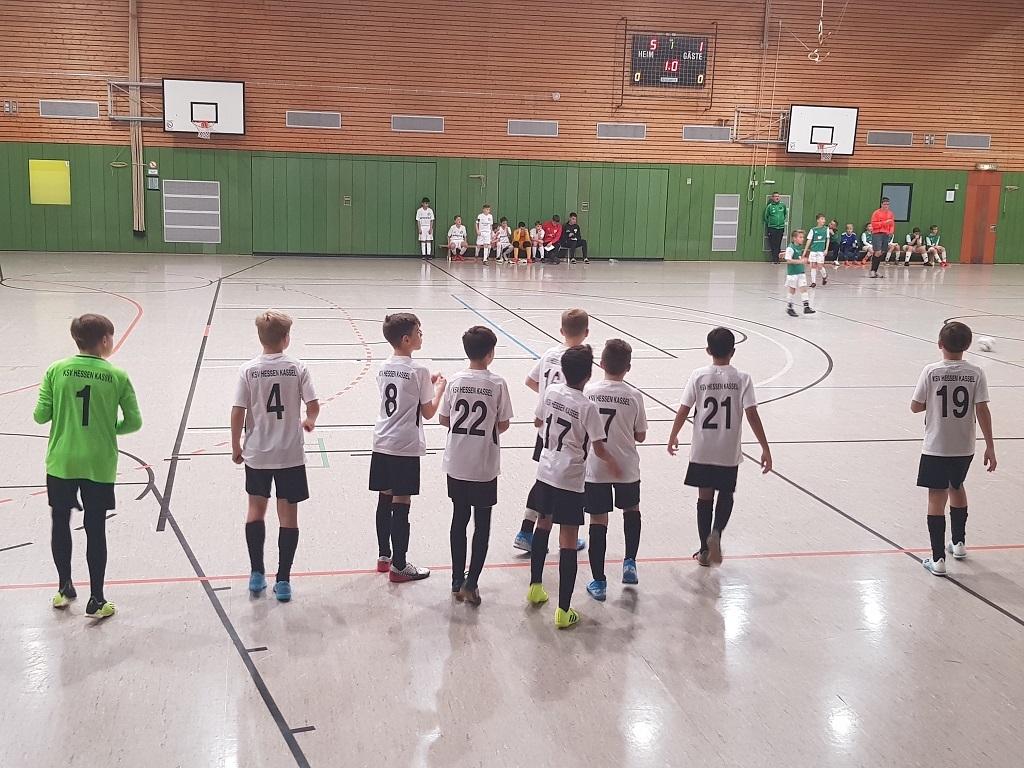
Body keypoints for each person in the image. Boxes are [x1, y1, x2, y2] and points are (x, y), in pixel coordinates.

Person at [34, 313, 142, 619]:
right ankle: (97, 599)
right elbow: (134, 421)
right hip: (99, 463)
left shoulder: (56, 370)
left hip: (62, 461)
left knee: (60, 522)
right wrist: (109, 428)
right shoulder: (117, 375)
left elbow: (40, 416)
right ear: (105, 340)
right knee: (95, 528)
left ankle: (64, 588)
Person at [527, 345, 619, 628]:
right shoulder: (587, 407)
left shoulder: (551, 392)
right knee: (568, 539)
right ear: (589, 375)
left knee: (542, 525)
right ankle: (564, 610)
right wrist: (615, 464)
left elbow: (538, 420)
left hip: (545, 470)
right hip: (569, 478)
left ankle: (535, 587)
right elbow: (599, 448)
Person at [231, 311, 320, 603]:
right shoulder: (297, 367)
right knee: (288, 517)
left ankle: (257, 573)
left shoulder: (248, 370)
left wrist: (236, 445)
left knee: (256, 511)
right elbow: (313, 404)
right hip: (290, 455)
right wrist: (310, 420)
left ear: (260, 338)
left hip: (258, 453)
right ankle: (283, 580)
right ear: (286, 338)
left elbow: (238, 411)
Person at [667, 327, 772, 566]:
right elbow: (752, 414)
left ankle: (704, 550)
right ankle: (716, 533)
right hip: (728, 449)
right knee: (726, 493)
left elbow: (684, 409)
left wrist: (673, 435)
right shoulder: (742, 379)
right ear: (733, 352)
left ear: (708, 350)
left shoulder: (698, 376)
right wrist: (765, 447)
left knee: (704, 496)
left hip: (702, 448)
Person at [911, 321, 996, 576]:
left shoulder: (931, 371)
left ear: (940, 345)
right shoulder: (976, 373)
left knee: (936, 497)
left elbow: (915, 406)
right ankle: (958, 543)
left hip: (936, 446)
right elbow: (982, 409)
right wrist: (990, 446)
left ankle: (938, 559)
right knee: (957, 487)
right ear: (968, 345)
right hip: (964, 446)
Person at [438, 327, 513, 605]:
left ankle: (456, 580)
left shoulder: (455, 381)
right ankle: (472, 583)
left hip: (457, 461)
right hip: (484, 465)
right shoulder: (497, 384)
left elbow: (444, 419)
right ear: (491, 353)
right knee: (482, 524)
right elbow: (503, 423)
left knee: (459, 518)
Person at [370, 313, 446, 582]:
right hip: (404, 444)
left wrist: (426, 383)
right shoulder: (419, 371)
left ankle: (384, 556)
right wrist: (439, 388)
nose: (421, 335)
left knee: (384, 497)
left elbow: (402, 391)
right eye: (418, 332)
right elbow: (428, 412)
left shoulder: (383, 366)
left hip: (382, 440)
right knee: (402, 502)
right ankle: (400, 566)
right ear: (406, 339)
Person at [513, 308, 590, 553]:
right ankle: (562, 535)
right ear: (587, 332)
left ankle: (528, 529)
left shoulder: (549, 354)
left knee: (544, 480)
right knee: (564, 485)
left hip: (547, 427)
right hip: (567, 433)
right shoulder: (579, 360)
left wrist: (549, 402)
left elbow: (530, 380)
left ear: (561, 330)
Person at [583, 339, 647, 601]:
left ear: (601, 364)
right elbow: (640, 435)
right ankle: (630, 561)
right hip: (626, 466)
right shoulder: (634, 395)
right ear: (628, 368)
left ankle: (599, 582)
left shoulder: (588, 392)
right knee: (631, 510)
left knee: (598, 520)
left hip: (596, 467)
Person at [783, 230, 815, 316]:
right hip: (793, 273)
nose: (802, 239)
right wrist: (800, 262)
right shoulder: (790, 248)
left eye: (803, 237)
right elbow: (788, 260)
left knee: (803, 288)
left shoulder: (799, 246)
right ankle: (789, 307)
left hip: (800, 271)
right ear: (794, 238)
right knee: (792, 290)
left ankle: (806, 307)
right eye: (800, 237)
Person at [870, 197, 895, 276]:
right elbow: (874, 224)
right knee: (877, 251)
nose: (886, 206)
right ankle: (872, 270)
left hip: (886, 234)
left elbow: (892, 224)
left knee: (881, 252)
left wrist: (891, 231)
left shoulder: (890, 214)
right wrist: (884, 223)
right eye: (885, 204)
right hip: (877, 233)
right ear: (881, 204)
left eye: (887, 204)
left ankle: (875, 270)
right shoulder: (876, 213)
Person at [803, 213, 830, 287]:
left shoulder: (826, 229)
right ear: (818, 220)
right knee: (813, 265)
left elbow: (828, 239)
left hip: (821, 251)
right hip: (813, 250)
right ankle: (813, 282)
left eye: (824, 219)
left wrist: (826, 249)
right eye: (822, 219)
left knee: (820, 266)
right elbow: (809, 240)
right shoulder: (813, 230)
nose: (824, 220)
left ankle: (824, 276)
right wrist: (805, 251)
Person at [763, 192, 787, 265]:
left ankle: (777, 258)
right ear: (772, 198)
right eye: (775, 196)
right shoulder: (769, 207)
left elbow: (785, 214)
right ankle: (774, 259)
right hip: (772, 228)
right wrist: (771, 223)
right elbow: (766, 216)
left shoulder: (782, 205)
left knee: (778, 243)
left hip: (780, 227)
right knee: (772, 243)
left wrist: (780, 221)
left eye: (778, 196)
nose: (777, 198)